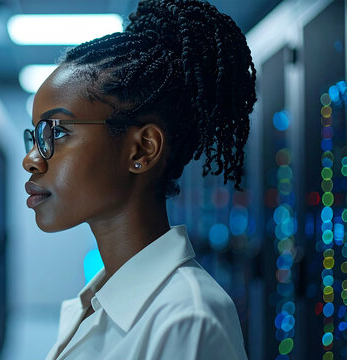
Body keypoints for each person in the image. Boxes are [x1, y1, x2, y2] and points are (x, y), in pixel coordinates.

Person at [21, 0, 256, 359]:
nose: (32, 159)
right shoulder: (99, 300)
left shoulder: (187, 322)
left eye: (57, 132)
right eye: (34, 137)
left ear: (142, 150)